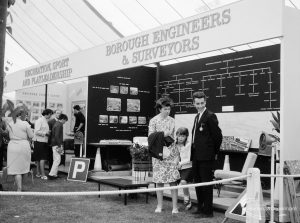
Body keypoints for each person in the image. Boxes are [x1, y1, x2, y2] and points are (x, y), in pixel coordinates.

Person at [191, 91, 222, 218]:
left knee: (206, 184)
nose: (200, 106)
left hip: (206, 157)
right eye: (197, 103)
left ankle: (208, 211)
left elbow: (218, 136)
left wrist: (213, 153)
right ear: (193, 103)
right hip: (196, 156)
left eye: (202, 103)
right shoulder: (197, 116)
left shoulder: (210, 116)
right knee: (198, 183)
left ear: (205, 102)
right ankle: (200, 207)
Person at [148, 97, 180, 214]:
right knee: (159, 180)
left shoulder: (173, 121)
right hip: (158, 155)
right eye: (165, 109)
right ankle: (159, 205)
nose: (168, 111)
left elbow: (178, 138)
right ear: (160, 109)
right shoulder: (153, 121)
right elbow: (150, 137)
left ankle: (175, 207)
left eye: (169, 109)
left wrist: (177, 156)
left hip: (171, 154)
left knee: (173, 180)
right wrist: (163, 134)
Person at [6, 109, 34, 191]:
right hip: (23, 145)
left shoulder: (10, 123)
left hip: (12, 146)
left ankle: (19, 187)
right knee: (24, 167)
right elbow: (31, 136)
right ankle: (21, 188)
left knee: (15, 168)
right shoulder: (25, 123)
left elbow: (7, 134)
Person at [176, 127, 193, 211]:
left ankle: (187, 201)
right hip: (177, 167)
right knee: (173, 183)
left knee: (183, 182)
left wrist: (180, 163)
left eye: (183, 136)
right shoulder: (174, 144)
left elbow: (189, 158)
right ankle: (175, 204)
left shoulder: (189, 144)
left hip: (187, 167)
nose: (180, 138)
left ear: (186, 136)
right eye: (179, 136)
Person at [33, 109, 53, 180]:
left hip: (42, 141)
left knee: (39, 158)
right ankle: (43, 174)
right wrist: (46, 133)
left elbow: (41, 130)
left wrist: (46, 132)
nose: (51, 116)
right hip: (40, 141)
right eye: (50, 114)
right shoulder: (40, 120)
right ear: (47, 114)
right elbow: (36, 131)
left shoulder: (44, 120)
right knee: (42, 158)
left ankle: (38, 173)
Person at [48, 114, 68, 180]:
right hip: (57, 144)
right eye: (65, 121)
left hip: (54, 143)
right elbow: (57, 136)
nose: (65, 122)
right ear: (63, 119)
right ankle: (51, 174)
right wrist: (60, 145)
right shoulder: (59, 125)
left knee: (56, 160)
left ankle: (54, 174)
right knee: (57, 160)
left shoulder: (56, 123)